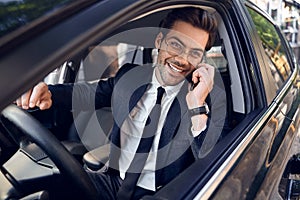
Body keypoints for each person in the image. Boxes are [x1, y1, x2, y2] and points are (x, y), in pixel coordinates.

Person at [16, 7, 228, 200]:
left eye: (195, 53)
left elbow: (213, 163)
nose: (183, 59)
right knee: (46, 191)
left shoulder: (205, 99)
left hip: (162, 193)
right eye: (175, 44)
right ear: (159, 41)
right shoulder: (129, 76)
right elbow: (86, 92)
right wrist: (49, 93)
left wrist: (197, 106)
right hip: (112, 181)